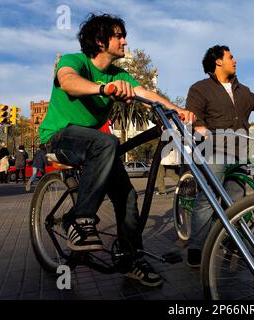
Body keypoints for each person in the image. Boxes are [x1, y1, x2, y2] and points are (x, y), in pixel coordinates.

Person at [38, 13, 195, 287]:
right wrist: (103, 88)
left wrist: (177, 110)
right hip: (59, 137)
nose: (125, 40)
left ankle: (130, 260)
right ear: (100, 41)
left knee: (127, 197)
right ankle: (81, 220)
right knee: (106, 141)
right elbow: (68, 82)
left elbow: (148, 95)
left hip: (95, 145)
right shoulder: (74, 61)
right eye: (119, 35)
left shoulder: (120, 75)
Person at [184, 45, 254, 267]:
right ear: (218, 61)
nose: (235, 60)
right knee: (207, 200)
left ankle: (228, 239)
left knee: (236, 201)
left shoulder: (241, 90)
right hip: (214, 151)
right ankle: (196, 247)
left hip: (240, 153)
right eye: (230, 57)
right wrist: (200, 129)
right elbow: (194, 115)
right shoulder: (200, 89)